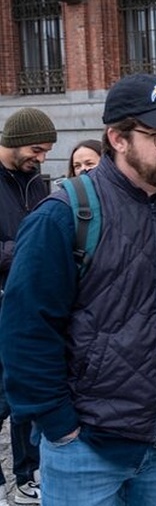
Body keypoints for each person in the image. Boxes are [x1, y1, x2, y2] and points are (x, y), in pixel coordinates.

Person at [0, 74, 156, 506]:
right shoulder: (62, 216)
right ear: (118, 138)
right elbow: (25, 331)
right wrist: (60, 426)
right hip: (85, 450)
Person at [0, 107, 56, 506]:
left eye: (46, 151)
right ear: (15, 141)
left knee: (25, 397)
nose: (41, 158)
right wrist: (27, 249)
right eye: (37, 149)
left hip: (27, 303)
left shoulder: (37, 181)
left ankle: (26, 477)